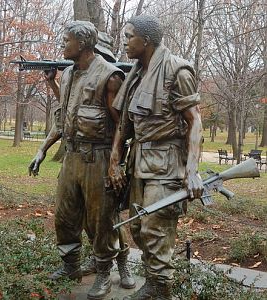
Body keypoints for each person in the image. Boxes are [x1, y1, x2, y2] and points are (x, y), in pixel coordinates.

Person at [29, 21, 135, 299]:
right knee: (65, 216)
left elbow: (122, 127)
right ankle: (70, 266)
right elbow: (64, 118)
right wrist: (42, 150)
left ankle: (104, 274)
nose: (62, 45)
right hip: (72, 157)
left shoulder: (110, 77)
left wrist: (115, 164)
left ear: (83, 43)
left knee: (100, 222)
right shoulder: (67, 75)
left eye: (66, 40)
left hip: (98, 157)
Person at [109, 15, 203, 299]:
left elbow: (195, 122)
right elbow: (125, 121)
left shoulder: (177, 71)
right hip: (140, 161)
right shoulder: (136, 73)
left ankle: (160, 288)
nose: (124, 41)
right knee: (137, 225)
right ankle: (154, 281)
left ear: (146, 40)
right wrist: (115, 158)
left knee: (156, 226)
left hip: (167, 163)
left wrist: (192, 170)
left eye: (129, 36)